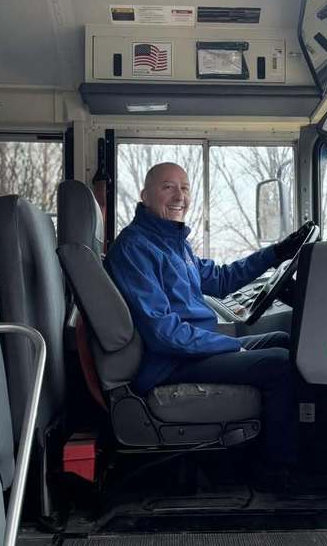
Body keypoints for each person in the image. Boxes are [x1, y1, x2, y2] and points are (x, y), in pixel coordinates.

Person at [105, 162, 311, 479]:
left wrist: (276, 253)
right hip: (171, 362)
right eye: (168, 187)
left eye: (184, 188)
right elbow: (163, 332)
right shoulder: (134, 247)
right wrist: (228, 345)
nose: (179, 196)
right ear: (145, 196)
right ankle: (280, 473)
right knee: (280, 364)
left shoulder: (174, 243)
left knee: (282, 341)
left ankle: (285, 451)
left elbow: (220, 279)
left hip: (189, 351)